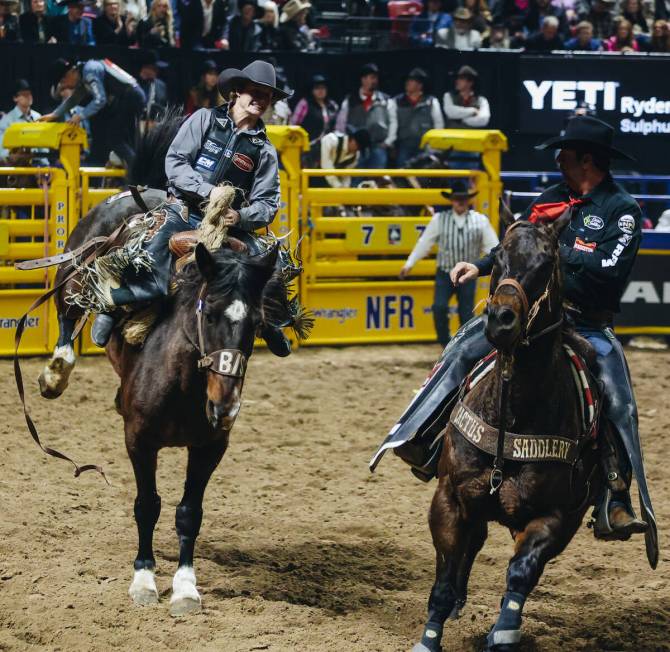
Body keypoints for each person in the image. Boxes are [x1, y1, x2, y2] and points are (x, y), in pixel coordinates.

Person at [379, 115, 656, 553]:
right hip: (531, 317)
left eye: (564, 155)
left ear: (587, 159)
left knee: (619, 399)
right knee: (462, 349)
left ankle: (615, 495)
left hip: (586, 321)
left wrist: (555, 253)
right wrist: (483, 265)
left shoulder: (621, 211)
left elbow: (610, 270)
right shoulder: (550, 199)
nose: (558, 161)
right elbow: (515, 245)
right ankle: (422, 437)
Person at [90, 61, 292, 358]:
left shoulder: (264, 150)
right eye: (255, 92)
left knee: (272, 266)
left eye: (266, 96)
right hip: (185, 210)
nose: (260, 100)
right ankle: (113, 304)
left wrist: (240, 216)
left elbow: (268, 202)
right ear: (237, 92)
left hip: (229, 224)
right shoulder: (204, 120)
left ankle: (271, 321)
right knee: (151, 254)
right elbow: (176, 162)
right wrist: (211, 194)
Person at [399, 180, 498, 346]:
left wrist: (496, 263)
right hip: (445, 272)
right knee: (439, 307)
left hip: (467, 275)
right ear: (452, 200)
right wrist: (410, 263)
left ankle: (464, 345)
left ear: (469, 200)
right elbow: (425, 243)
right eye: (457, 198)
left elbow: (492, 247)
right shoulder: (439, 219)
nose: (460, 201)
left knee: (466, 313)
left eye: (463, 198)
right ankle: (445, 343)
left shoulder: (480, 221)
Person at [40, 58, 145, 167]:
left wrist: (80, 116)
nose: (65, 86)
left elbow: (100, 99)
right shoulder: (86, 71)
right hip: (132, 96)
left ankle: (137, 174)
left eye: (63, 81)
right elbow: (75, 98)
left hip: (131, 98)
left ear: (71, 72)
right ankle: (134, 172)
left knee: (116, 139)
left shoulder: (90, 71)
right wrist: (55, 114)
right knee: (124, 141)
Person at [336, 63, 394, 169]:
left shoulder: (386, 100)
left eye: (374, 78)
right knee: (354, 180)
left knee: (377, 181)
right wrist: (345, 144)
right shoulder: (349, 100)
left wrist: (388, 141)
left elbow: (393, 122)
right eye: (369, 78)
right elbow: (341, 124)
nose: (372, 81)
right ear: (363, 79)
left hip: (378, 146)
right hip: (355, 148)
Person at [388, 68, 444, 167]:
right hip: (404, 145)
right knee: (403, 172)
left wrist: (435, 145)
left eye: (411, 81)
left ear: (420, 85)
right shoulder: (396, 101)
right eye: (408, 80)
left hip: (426, 145)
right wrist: (392, 144)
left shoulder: (431, 101)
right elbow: (392, 123)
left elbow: (438, 124)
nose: (408, 83)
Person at [291, 74, 339, 167]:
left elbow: (337, 127)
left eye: (323, 88)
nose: (321, 91)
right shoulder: (304, 103)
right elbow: (293, 126)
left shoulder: (332, 105)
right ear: (312, 90)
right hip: (308, 149)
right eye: (317, 88)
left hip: (327, 150)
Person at [0, 80, 43, 162]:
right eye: (24, 94)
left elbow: (43, 148)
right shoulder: (7, 121)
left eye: (29, 93)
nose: (28, 96)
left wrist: (44, 165)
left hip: (37, 165)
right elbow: (2, 151)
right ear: (15, 98)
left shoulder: (38, 117)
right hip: (17, 166)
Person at [138, 50, 168, 125]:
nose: (157, 71)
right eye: (153, 68)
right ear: (144, 68)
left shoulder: (161, 85)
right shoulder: (133, 87)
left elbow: (164, 107)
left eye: (157, 68)